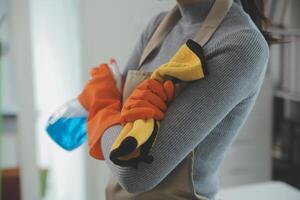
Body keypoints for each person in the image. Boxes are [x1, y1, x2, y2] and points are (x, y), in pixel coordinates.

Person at [99, 0, 274, 199]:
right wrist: (110, 109)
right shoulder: (157, 26)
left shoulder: (241, 43)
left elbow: (134, 175)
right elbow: (116, 109)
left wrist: (100, 105)